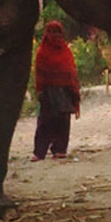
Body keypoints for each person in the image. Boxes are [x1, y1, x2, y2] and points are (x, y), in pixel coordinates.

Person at [32, 21, 81, 161]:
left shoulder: (66, 51)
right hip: (48, 91)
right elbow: (40, 72)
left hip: (65, 91)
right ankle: (39, 152)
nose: (54, 35)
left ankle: (60, 149)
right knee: (45, 121)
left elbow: (71, 70)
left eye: (57, 32)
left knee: (63, 120)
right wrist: (40, 89)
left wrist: (73, 89)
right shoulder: (42, 52)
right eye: (51, 32)